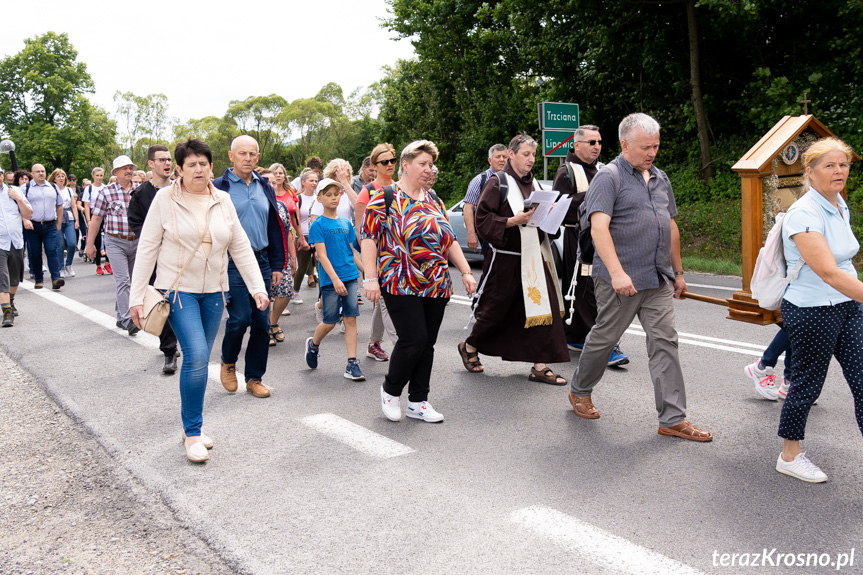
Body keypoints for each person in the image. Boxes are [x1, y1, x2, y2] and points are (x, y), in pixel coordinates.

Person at [567, 113, 712, 442]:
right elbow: (598, 227)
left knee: (665, 344)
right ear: (624, 144)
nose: (652, 152)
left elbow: (670, 225)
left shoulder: (660, 178)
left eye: (656, 146)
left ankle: (673, 418)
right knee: (604, 339)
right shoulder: (609, 177)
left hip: (657, 279)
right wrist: (617, 273)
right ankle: (580, 389)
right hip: (620, 281)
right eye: (646, 147)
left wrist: (679, 273)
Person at [129, 139, 269, 463]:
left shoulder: (223, 200)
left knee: (201, 361)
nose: (199, 169)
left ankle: (190, 423)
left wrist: (257, 287)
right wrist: (136, 297)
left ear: (210, 166)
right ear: (179, 169)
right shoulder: (165, 199)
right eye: (191, 164)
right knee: (195, 355)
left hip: (215, 292)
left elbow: (241, 247)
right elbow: (147, 248)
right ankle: (192, 432)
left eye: (203, 163)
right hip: (178, 290)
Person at [362, 140, 477, 423]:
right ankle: (390, 390)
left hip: (436, 282)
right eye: (423, 164)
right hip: (399, 280)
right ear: (405, 164)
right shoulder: (385, 197)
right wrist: (370, 278)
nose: (429, 169)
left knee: (427, 344)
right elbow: (368, 238)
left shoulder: (434, 200)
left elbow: (449, 240)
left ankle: (418, 401)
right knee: (413, 339)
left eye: (431, 164)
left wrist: (465, 271)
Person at [773, 137, 863, 483]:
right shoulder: (804, 213)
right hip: (813, 310)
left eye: (844, 165)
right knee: (807, 385)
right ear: (810, 172)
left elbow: (844, 263)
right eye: (830, 165)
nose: (839, 171)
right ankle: (790, 455)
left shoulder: (839, 204)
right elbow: (827, 272)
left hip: (847, 306)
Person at [459, 134, 569, 385]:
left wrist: (552, 217)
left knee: (545, 311)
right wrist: (513, 221)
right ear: (511, 154)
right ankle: (470, 346)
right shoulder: (499, 182)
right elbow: (483, 220)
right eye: (525, 154)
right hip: (506, 260)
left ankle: (540, 366)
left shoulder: (538, 186)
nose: (531, 160)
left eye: (533, 155)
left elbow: (546, 225)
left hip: (536, 258)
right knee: (495, 311)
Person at [213, 135, 287, 399]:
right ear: (231, 156)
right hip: (231, 263)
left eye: (252, 154)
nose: (247, 158)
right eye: (242, 154)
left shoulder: (264, 186)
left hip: (262, 261)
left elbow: (274, 227)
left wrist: (278, 263)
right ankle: (228, 360)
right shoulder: (218, 187)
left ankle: (254, 377)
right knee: (240, 318)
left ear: (258, 158)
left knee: (260, 321)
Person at [552, 125, 629, 367]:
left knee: (598, 289)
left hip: (604, 238)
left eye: (599, 142)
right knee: (588, 291)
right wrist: (594, 196)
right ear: (577, 145)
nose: (597, 146)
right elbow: (559, 207)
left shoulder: (604, 170)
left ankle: (575, 336)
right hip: (580, 238)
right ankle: (603, 345)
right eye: (591, 142)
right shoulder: (567, 172)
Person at [127, 144, 181, 374]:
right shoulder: (140, 195)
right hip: (156, 258)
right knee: (161, 301)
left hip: (182, 258)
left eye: (169, 159)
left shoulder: (182, 189)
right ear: (151, 163)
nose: (167, 163)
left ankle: (182, 341)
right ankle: (169, 350)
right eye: (161, 160)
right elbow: (137, 225)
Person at [305, 178, 365, 380]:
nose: (333, 198)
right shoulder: (318, 225)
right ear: (320, 198)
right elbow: (321, 256)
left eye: (336, 194)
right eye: (328, 195)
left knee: (350, 319)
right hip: (331, 280)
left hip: (350, 276)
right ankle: (313, 345)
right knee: (329, 322)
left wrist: (367, 272)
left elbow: (351, 252)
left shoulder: (346, 223)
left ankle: (352, 363)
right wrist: (335, 280)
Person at [354, 143, 400, 362]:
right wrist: (371, 267)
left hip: (400, 258)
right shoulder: (368, 191)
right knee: (388, 303)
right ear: (374, 166)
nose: (390, 165)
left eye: (393, 160)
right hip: (380, 259)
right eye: (384, 162)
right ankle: (403, 346)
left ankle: (373, 343)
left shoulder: (400, 187)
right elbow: (361, 233)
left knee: (383, 301)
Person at [87, 156, 140, 334]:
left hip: (136, 241)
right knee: (123, 280)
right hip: (115, 241)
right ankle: (127, 319)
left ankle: (120, 315)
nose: (129, 171)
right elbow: (96, 218)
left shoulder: (139, 191)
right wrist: (90, 244)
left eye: (130, 168)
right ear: (115, 172)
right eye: (124, 168)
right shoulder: (106, 192)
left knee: (132, 281)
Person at [267, 162, 302, 343]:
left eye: (274, 182)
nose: (272, 185)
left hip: (282, 255)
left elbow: (289, 231)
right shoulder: (256, 205)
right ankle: (265, 327)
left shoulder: (281, 205)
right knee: (264, 293)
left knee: (286, 290)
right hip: (261, 256)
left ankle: (272, 322)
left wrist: (292, 257)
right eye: (268, 182)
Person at [22, 164, 64, 290]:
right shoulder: (26, 188)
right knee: (35, 253)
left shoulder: (53, 187)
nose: (41, 173)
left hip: (50, 224)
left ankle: (56, 278)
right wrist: (25, 220)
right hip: (33, 225)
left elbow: (59, 205)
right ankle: (39, 279)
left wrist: (59, 223)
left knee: (52, 250)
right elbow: (20, 206)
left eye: (43, 171)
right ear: (32, 173)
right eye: (38, 171)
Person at [462, 144, 508, 254]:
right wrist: (471, 234)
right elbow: (468, 208)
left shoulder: (512, 179)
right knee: (491, 264)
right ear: (490, 160)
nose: (502, 160)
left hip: (508, 230)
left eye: (504, 157)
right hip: (487, 232)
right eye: (498, 157)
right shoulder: (479, 180)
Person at [0, 176, 32, 326]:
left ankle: (10, 301)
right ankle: (7, 314)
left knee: (14, 278)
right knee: (3, 278)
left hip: (16, 241)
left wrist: (18, 199)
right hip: (0, 244)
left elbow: (28, 214)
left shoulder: (15, 191)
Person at [292, 168, 319, 302]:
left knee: (321, 265)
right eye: (311, 180)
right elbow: (296, 219)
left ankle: (323, 296)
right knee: (302, 266)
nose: (314, 183)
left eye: (316, 180)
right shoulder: (298, 198)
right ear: (303, 182)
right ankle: (295, 292)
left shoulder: (319, 198)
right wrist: (301, 237)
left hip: (318, 237)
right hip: (303, 236)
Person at [48, 168, 79, 278]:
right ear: (54, 179)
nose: (61, 178)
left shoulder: (69, 190)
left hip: (69, 217)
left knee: (72, 243)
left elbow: (73, 206)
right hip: (57, 218)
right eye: (59, 176)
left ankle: (69, 265)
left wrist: (76, 220)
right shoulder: (52, 189)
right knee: (60, 245)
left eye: (63, 176)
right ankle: (60, 267)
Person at [82, 167, 111, 275]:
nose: (99, 178)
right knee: (97, 240)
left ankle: (108, 263)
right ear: (93, 175)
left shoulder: (106, 188)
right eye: (97, 175)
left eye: (101, 175)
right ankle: (98, 264)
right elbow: (87, 205)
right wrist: (89, 220)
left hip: (105, 215)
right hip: (94, 215)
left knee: (108, 239)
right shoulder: (89, 189)